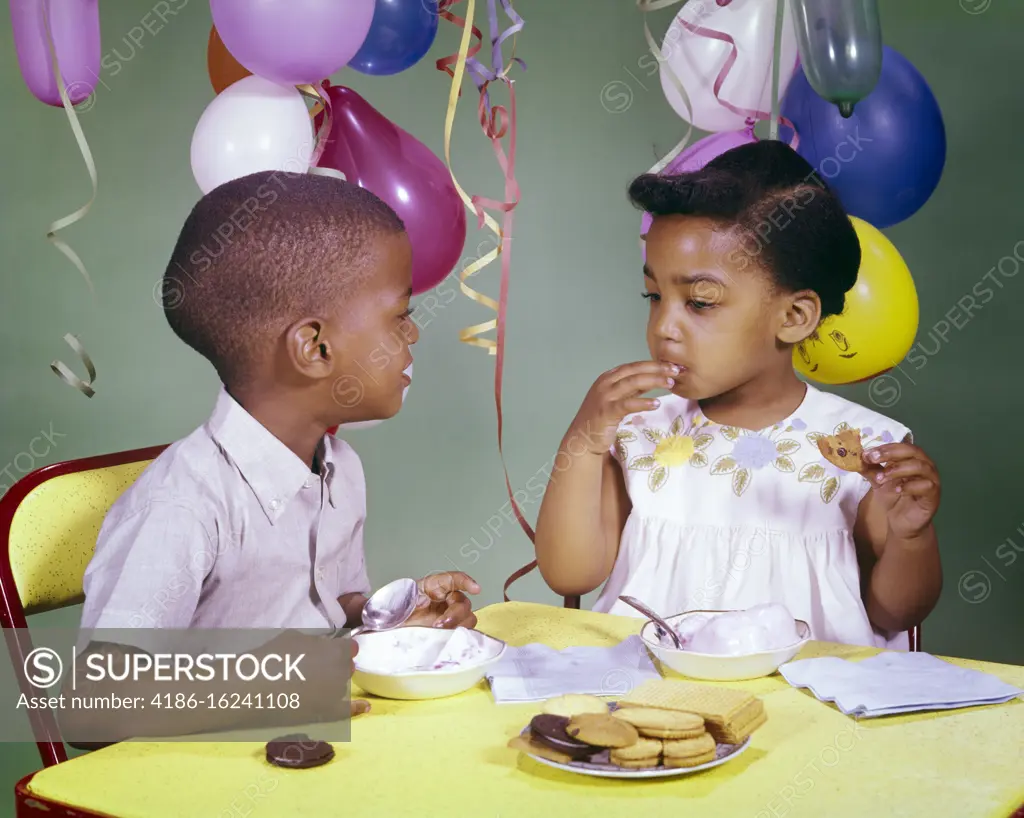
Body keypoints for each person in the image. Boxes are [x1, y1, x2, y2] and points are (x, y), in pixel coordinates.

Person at [68, 171, 479, 742]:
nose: (414, 335)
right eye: (399, 315)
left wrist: (391, 619)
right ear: (315, 347)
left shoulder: (341, 467)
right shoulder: (183, 508)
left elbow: (329, 608)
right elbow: (97, 708)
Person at [533, 141, 941, 649]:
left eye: (699, 302)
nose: (664, 327)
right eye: (654, 296)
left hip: (808, 704)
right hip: (649, 693)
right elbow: (569, 574)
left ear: (794, 317)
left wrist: (911, 538)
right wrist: (584, 441)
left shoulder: (863, 447)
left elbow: (894, 611)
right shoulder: (641, 430)